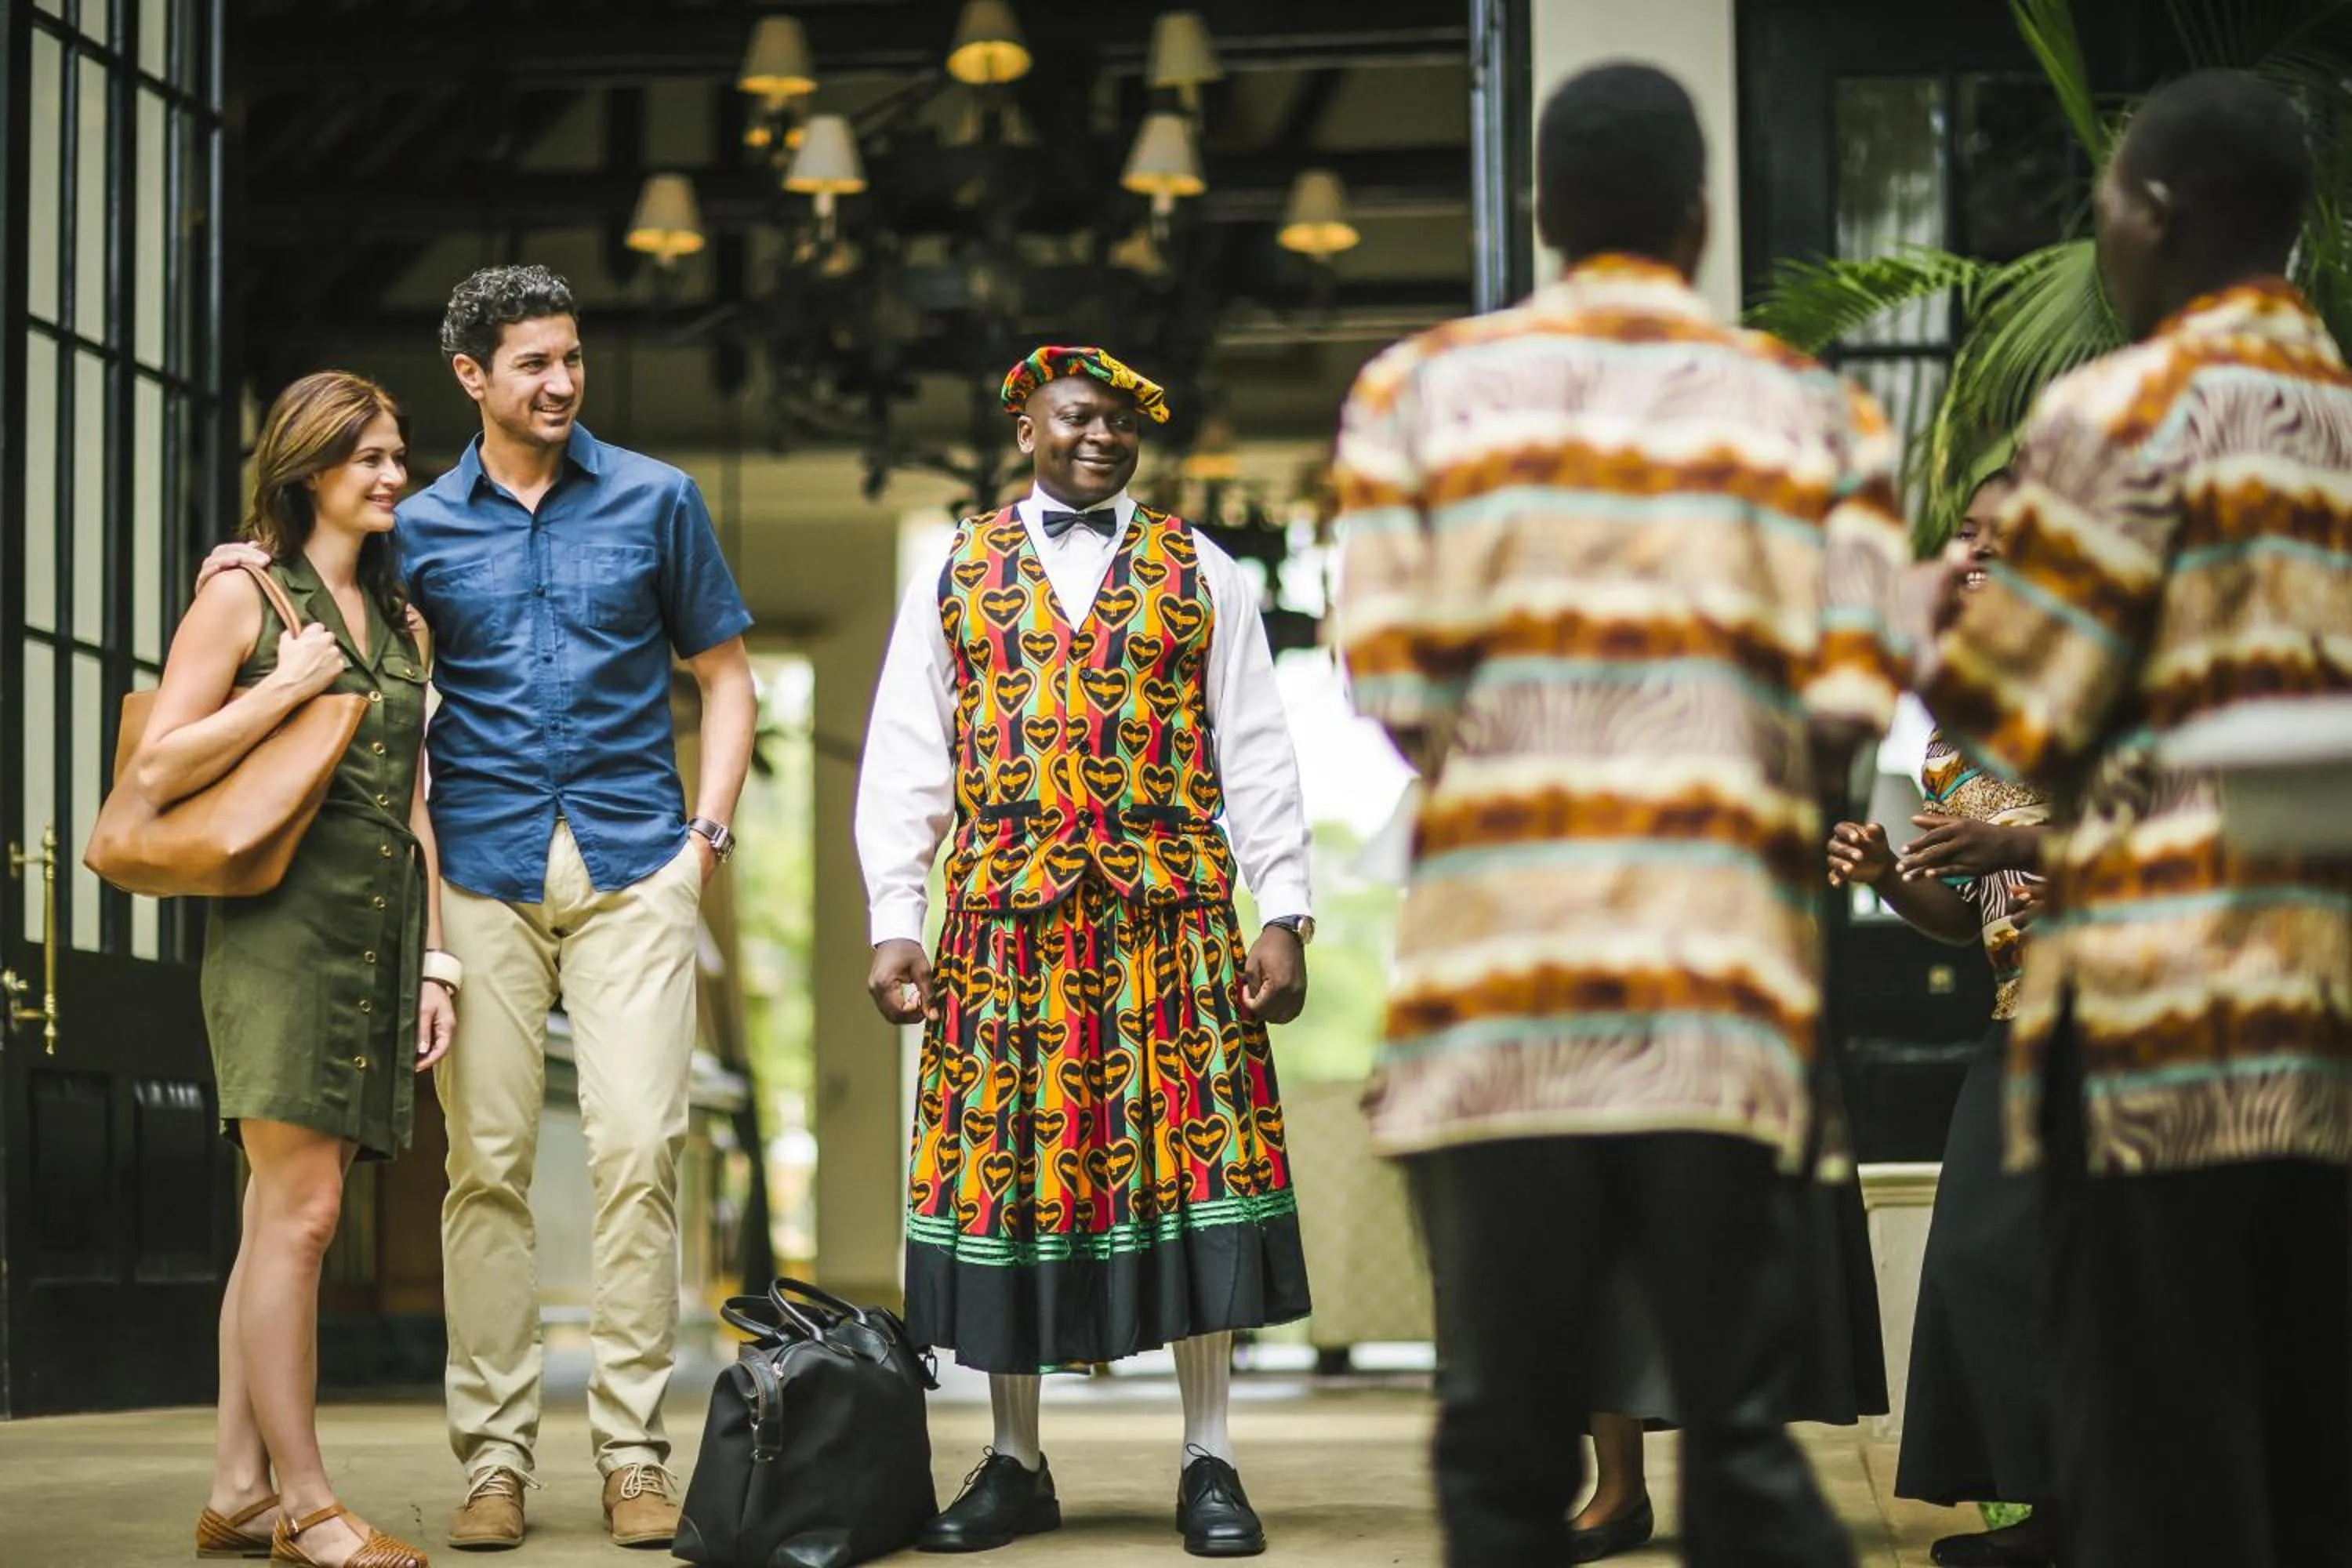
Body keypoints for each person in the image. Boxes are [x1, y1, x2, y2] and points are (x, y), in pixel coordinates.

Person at [1333, 61, 1911, 1568]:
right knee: (1740, 1430)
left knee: (1501, 1445)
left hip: (1494, 1004)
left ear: (1544, 213)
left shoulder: (1413, 397)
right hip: (1720, 1002)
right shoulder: (1822, 414)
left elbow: (1395, 695)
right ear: (1703, 218)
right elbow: (1849, 718)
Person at [200, 265, 758, 1552]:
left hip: (633, 867)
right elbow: (323, 580)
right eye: (532, 364)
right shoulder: (417, 525)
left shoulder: (659, 501)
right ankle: (496, 1461)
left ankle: (632, 1455)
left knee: (636, 1153)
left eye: (572, 358)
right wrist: (252, 556)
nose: (560, 382)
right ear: (473, 377)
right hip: (480, 873)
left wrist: (705, 841)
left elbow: (724, 678)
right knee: (487, 1171)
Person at [1916, 70, 2351, 1568]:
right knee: (2318, 1451)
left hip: (2166, 1027)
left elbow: (2015, 714)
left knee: (2162, 1467)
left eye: (2105, 203)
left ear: (2152, 215)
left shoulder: (2125, 411)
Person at [856, 345, 1314, 1558]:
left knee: (1194, 1181)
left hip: (1171, 920)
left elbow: (1258, 750)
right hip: (1005, 927)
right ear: (1029, 429)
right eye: (1078, 417)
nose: (1101, 436)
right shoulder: (954, 568)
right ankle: (1014, 1464)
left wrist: (1284, 911)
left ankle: (1210, 1462)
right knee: (1014, 1179)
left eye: (1119, 421)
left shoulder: (1203, 570)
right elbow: (910, 752)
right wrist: (894, 916)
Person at [168, 371, 448, 1568]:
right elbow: (163, 762)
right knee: (305, 1217)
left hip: (378, 935)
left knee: (274, 1220)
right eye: (367, 457)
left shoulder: (398, 614)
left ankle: (239, 1488)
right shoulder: (245, 593)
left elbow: (416, 794)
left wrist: (436, 960)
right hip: (279, 932)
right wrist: (278, 690)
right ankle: (312, 1507)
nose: (391, 475)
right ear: (306, 467)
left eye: (396, 455)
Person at [1831, 469, 2062, 1568]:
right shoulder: (1954, 730)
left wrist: (2018, 845)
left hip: (2133, 1016)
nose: (1974, 555)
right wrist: (1887, 876)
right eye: (1966, 537)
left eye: (2000, 539)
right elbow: (1967, 922)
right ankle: (2036, 1504)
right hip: (2020, 1012)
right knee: (1977, 1260)